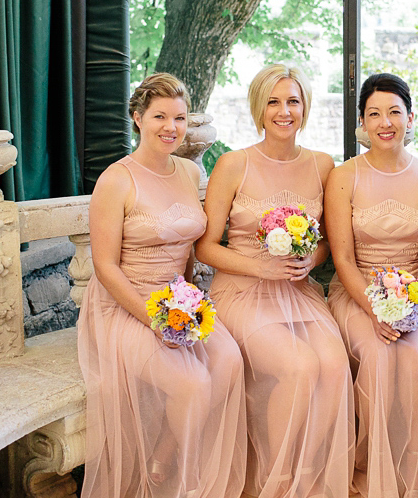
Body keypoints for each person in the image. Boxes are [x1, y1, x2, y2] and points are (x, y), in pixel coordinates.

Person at [77, 72, 246, 497]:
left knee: (228, 362)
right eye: (159, 117)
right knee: (192, 384)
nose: (171, 127)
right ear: (137, 118)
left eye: (180, 118)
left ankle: (166, 458)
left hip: (180, 300)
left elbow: (188, 250)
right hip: (125, 303)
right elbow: (104, 267)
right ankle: (169, 485)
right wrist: (156, 321)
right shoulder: (116, 179)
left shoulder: (190, 172)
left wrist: (189, 302)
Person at [196, 63, 353, 498]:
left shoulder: (323, 165)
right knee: (299, 367)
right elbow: (205, 247)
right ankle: (276, 485)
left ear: (305, 108)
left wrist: (311, 259)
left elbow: (328, 242)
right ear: (258, 108)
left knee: (335, 368)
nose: (284, 111)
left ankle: (306, 479)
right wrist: (261, 267)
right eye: (273, 102)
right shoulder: (232, 164)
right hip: (242, 289)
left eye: (293, 101)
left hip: (298, 291)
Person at [325, 73, 418, 498]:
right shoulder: (343, 177)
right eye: (374, 113)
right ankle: (373, 471)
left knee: (412, 355)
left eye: (394, 111)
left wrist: (412, 307)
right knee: (376, 353)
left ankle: (414, 473)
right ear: (362, 121)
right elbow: (342, 258)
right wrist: (376, 309)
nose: (385, 122)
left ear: (410, 118)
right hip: (357, 293)